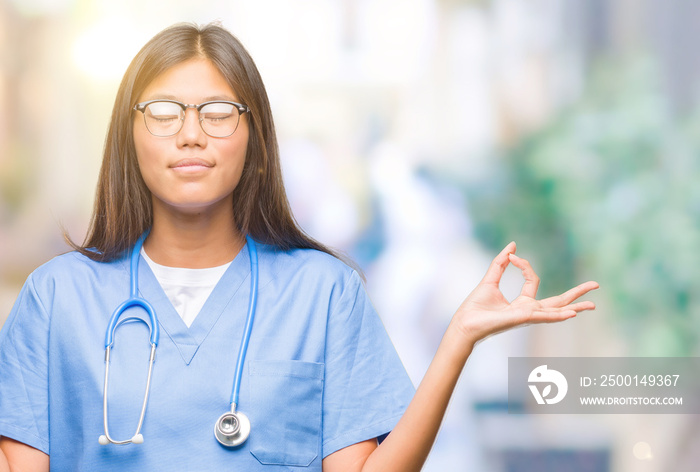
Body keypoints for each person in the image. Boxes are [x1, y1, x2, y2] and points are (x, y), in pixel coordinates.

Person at [0, 22, 598, 471]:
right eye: (162, 111)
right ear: (128, 133)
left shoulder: (324, 292)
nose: (189, 133)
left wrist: (457, 341)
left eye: (216, 112)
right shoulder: (57, 297)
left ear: (254, 134)